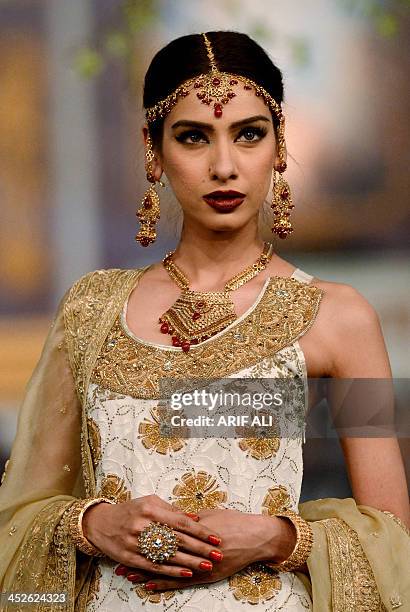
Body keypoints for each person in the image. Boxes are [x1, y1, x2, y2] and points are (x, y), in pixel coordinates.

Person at [0, 30, 409, 612]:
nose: (224, 166)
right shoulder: (90, 309)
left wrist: (275, 537)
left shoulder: (341, 318)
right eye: (193, 137)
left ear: (279, 143)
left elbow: (391, 534)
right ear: (154, 148)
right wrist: (94, 525)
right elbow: (20, 513)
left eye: (248, 135)